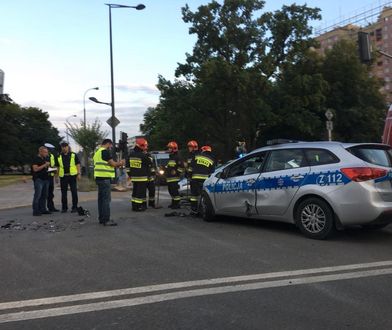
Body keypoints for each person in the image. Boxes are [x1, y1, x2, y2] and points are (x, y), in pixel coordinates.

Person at [93, 139, 124, 225]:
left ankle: (102, 219)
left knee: (101, 200)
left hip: (99, 178)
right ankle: (106, 220)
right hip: (105, 178)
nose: (111, 147)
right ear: (108, 144)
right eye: (110, 145)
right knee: (106, 199)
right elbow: (113, 164)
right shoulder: (105, 152)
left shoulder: (97, 152)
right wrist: (121, 163)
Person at [189, 145, 215, 215]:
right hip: (205, 180)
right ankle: (202, 210)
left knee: (194, 195)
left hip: (195, 179)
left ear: (203, 150)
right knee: (203, 195)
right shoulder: (211, 160)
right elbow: (212, 172)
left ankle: (193, 210)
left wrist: (188, 176)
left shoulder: (197, 156)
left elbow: (190, 168)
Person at [56, 142, 81, 213]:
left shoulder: (73, 155)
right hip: (63, 176)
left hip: (72, 176)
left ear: (68, 147)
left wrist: (79, 173)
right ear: (61, 147)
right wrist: (56, 176)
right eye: (63, 147)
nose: (64, 148)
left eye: (65, 146)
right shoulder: (59, 156)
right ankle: (64, 208)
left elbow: (78, 164)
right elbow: (57, 167)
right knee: (63, 193)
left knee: (74, 192)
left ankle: (74, 207)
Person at [128, 138, 150, 212]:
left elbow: (128, 167)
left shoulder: (131, 154)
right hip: (142, 177)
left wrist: (130, 175)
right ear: (142, 146)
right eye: (144, 146)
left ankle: (135, 205)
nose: (145, 148)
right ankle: (138, 207)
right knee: (140, 193)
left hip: (134, 177)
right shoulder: (143, 155)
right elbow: (149, 163)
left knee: (135, 192)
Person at [31, 146, 51, 216]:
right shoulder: (36, 159)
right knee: (38, 195)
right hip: (39, 179)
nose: (46, 153)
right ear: (40, 152)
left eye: (47, 152)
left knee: (44, 195)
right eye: (45, 152)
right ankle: (36, 210)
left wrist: (53, 170)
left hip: (46, 179)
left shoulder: (45, 158)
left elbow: (46, 169)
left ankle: (43, 209)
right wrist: (44, 165)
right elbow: (35, 169)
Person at [165, 141, 183, 209]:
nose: (168, 149)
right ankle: (173, 203)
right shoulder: (171, 157)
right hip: (169, 178)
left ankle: (177, 204)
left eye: (170, 148)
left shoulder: (177, 157)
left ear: (174, 148)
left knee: (174, 191)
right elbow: (170, 167)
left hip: (174, 178)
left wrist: (177, 173)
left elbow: (181, 167)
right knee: (171, 191)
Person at [44, 143, 59, 212]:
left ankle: (51, 207)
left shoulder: (52, 156)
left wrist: (56, 176)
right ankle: (43, 208)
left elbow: (53, 166)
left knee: (50, 193)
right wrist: (55, 170)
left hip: (51, 177)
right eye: (50, 149)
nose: (51, 151)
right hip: (45, 177)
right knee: (45, 193)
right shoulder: (45, 156)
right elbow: (46, 169)